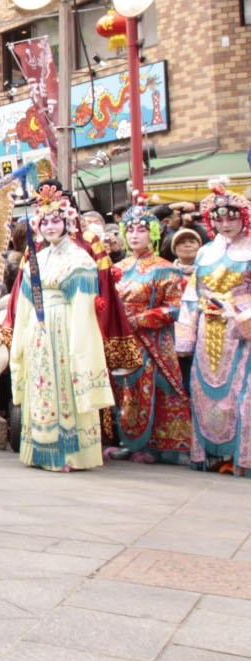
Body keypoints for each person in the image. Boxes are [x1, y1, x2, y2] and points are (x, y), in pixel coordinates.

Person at [9, 186, 113, 470]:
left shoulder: (80, 259)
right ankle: (40, 449)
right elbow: (26, 304)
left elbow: (82, 307)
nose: (50, 227)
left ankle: (68, 452)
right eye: (44, 222)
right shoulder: (37, 259)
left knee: (63, 384)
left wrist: (77, 344)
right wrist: (22, 336)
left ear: (68, 222)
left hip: (65, 328)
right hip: (37, 329)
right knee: (40, 384)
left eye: (56, 221)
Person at [108, 200, 192, 464]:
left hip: (151, 341)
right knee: (124, 391)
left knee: (149, 390)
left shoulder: (165, 269)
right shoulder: (116, 269)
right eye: (130, 230)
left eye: (141, 230)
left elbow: (175, 308)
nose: (134, 235)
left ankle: (151, 444)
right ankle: (128, 442)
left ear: (153, 234)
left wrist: (142, 318)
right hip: (123, 341)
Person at [175, 182, 251, 476]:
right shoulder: (206, 252)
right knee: (204, 393)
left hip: (241, 332)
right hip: (208, 331)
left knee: (242, 397)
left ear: (243, 216)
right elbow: (192, 295)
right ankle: (213, 455)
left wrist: (240, 315)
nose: (225, 223)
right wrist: (186, 337)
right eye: (219, 218)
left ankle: (242, 456)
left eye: (232, 216)